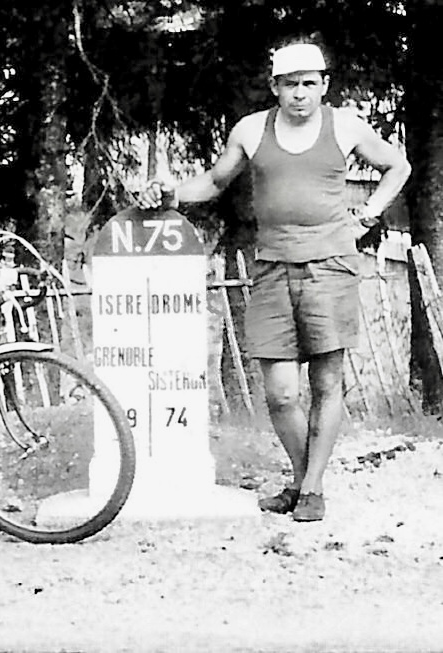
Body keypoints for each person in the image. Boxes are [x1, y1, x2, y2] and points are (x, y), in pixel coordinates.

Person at [136, 40, 410, 522]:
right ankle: (307, 479)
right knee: (281, 392)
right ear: (275, 87)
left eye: (309, 84)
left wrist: (367, 214)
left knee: (327, 382)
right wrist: (173, 195)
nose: (300, 94)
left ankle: (310, 489)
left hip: (331, 266)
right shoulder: (250, 129)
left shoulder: (344, 125)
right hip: (271, 268)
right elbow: (216, 182)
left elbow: (397, 166)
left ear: (324, 85)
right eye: (290, 85)